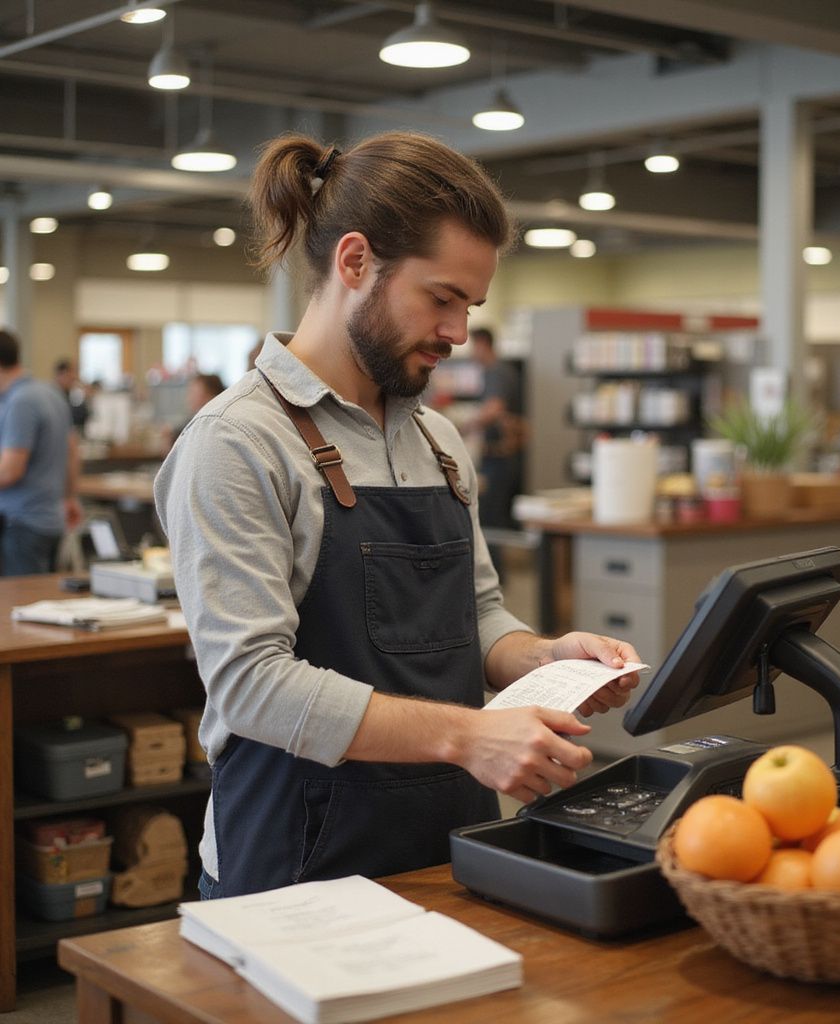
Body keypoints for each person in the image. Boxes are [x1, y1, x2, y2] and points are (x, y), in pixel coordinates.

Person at [154, 130, 642, 900]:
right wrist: (467, 734)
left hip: (450, 845)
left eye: (471, 306)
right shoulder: (238, 442)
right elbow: (250, 683)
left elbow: (474, 614)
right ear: (355, 263)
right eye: (441, 298)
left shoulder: (438, 441)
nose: (459, 333)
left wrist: (546, 658)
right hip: (296, 864)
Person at [0, 330, 83, 574]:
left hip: (22, 522)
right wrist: (69, 497)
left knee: (19, 605)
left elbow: (10, 470)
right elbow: (72, 452)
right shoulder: (50, 392)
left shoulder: (20, 401)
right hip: (50, 519)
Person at [463, 326, 525, 575]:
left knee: (490, 517)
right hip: (504, 457)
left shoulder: (496, 372)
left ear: (482, 345)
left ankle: (494, 576)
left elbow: (494, 408)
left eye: (472, 346)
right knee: (494, 515)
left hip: (500, 457)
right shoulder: (502, 370)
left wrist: (463, 426)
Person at [160, 372, 226, 454]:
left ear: (211, 394)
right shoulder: (196, 419)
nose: (189, 397)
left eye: (193, 392)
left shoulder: (212, 423)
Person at [53, 357, 90, 432]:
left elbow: (83, 415)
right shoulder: (54, 396)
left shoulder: (69, 393)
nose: (74, 377)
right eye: (71, 374)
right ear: (62, 374)